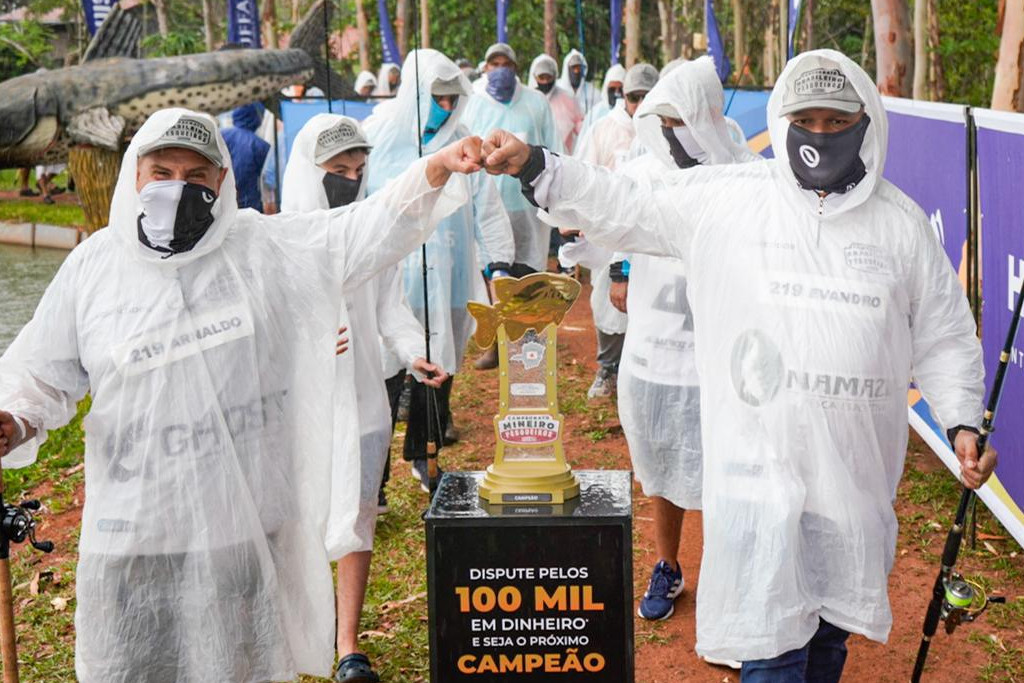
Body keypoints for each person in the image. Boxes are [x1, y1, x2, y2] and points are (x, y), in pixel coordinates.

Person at [480, 49, 996, 681]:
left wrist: (963, 422)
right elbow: (625, 203)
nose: (821, 134)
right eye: (807, 119)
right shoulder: (729, 200)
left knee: (828, 643)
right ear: (782, 121)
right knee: (771, 652)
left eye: (838, 121)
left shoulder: (900, 225)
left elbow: (945, 335)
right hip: (757, 488)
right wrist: (537, 165)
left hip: (851, 488)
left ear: (867, 122)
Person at [0, 107, 481, 682]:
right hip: (133, 534)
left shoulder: (264, 249)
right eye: (162, 171)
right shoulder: (94, 267)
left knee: (241, 666)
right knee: (128, 667)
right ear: (135, 175)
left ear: (222, 182)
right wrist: (16, 420)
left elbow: (365, 229)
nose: (179, 186)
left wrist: (436, 169)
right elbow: (41, 373)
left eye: (197, 175)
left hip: (244, 529)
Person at [281, 113, 448, 683]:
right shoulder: (275, 241)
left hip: (362, 398)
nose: (350, 179)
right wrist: (305, 337)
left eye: (358, 168)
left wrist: (412, 350)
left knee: (357, 515)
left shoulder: (372, 229)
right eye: (336, 170)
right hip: (298, 407)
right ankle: (298, 630)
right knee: (297, 518)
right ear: (310, 171)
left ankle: (349, 644)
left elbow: (389, 309)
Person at [612, 61, 758, 676]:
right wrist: (618, 270)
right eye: (662, 121)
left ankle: (731, 593)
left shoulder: (745, 173)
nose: (671, 134)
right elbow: (611, 225)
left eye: (681, 121)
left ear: (705, 118)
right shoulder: (639, 172)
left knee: (732, 481)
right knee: (662, 471)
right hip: (655, 356)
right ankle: (668, 566)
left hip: (723, 362)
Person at [363, 49, 514, 492]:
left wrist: (499, 267)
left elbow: (487, 210)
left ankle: (423, 456)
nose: (446, 108)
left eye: (453, 99)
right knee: (386, 370)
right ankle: (376, 477)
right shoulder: (377, 135)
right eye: (437, 98)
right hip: (390, 277)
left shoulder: (464, 140)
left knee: (440, 362)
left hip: (448, 273)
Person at [564, 62, 659, 400]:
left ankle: (643, 373)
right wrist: (575, 221)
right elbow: (582, 174)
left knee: (651, 303)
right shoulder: (603, 130)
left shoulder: (667, 131)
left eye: (650, 96)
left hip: (652, 237)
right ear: (624, 98)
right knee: (607, 300)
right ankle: (608, 369)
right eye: (636, 97)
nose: (642, 104)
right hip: (609, 233)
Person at [462, 42, 561, 275]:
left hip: (529, 208)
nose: (500, 69)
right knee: (494, 279)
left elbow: (554, 148)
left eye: (506, 65)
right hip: (488, 209)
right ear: (485, 68)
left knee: (527, 279)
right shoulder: (472, 104)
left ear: (516, 68)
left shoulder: (536, 102)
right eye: (495, 64)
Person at [528, 54, 584, 154]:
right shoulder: (527, 100)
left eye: (548, 77)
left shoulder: (568, 99)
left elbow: (581, 128)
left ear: (554, 76)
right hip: (533, 159)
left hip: (562, 158)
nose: (545, 81)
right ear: (535, 77)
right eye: (542, 77)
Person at [222, 102, 271, 211]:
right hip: (250, 204)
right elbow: (268, 179)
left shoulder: (221, 136)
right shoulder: (262, 146)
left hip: (223, 200)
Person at [558, 49, 600, 119]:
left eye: (579, 68)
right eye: (573, 67)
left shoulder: (594, 93)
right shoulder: (557, 89)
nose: (576, 71)